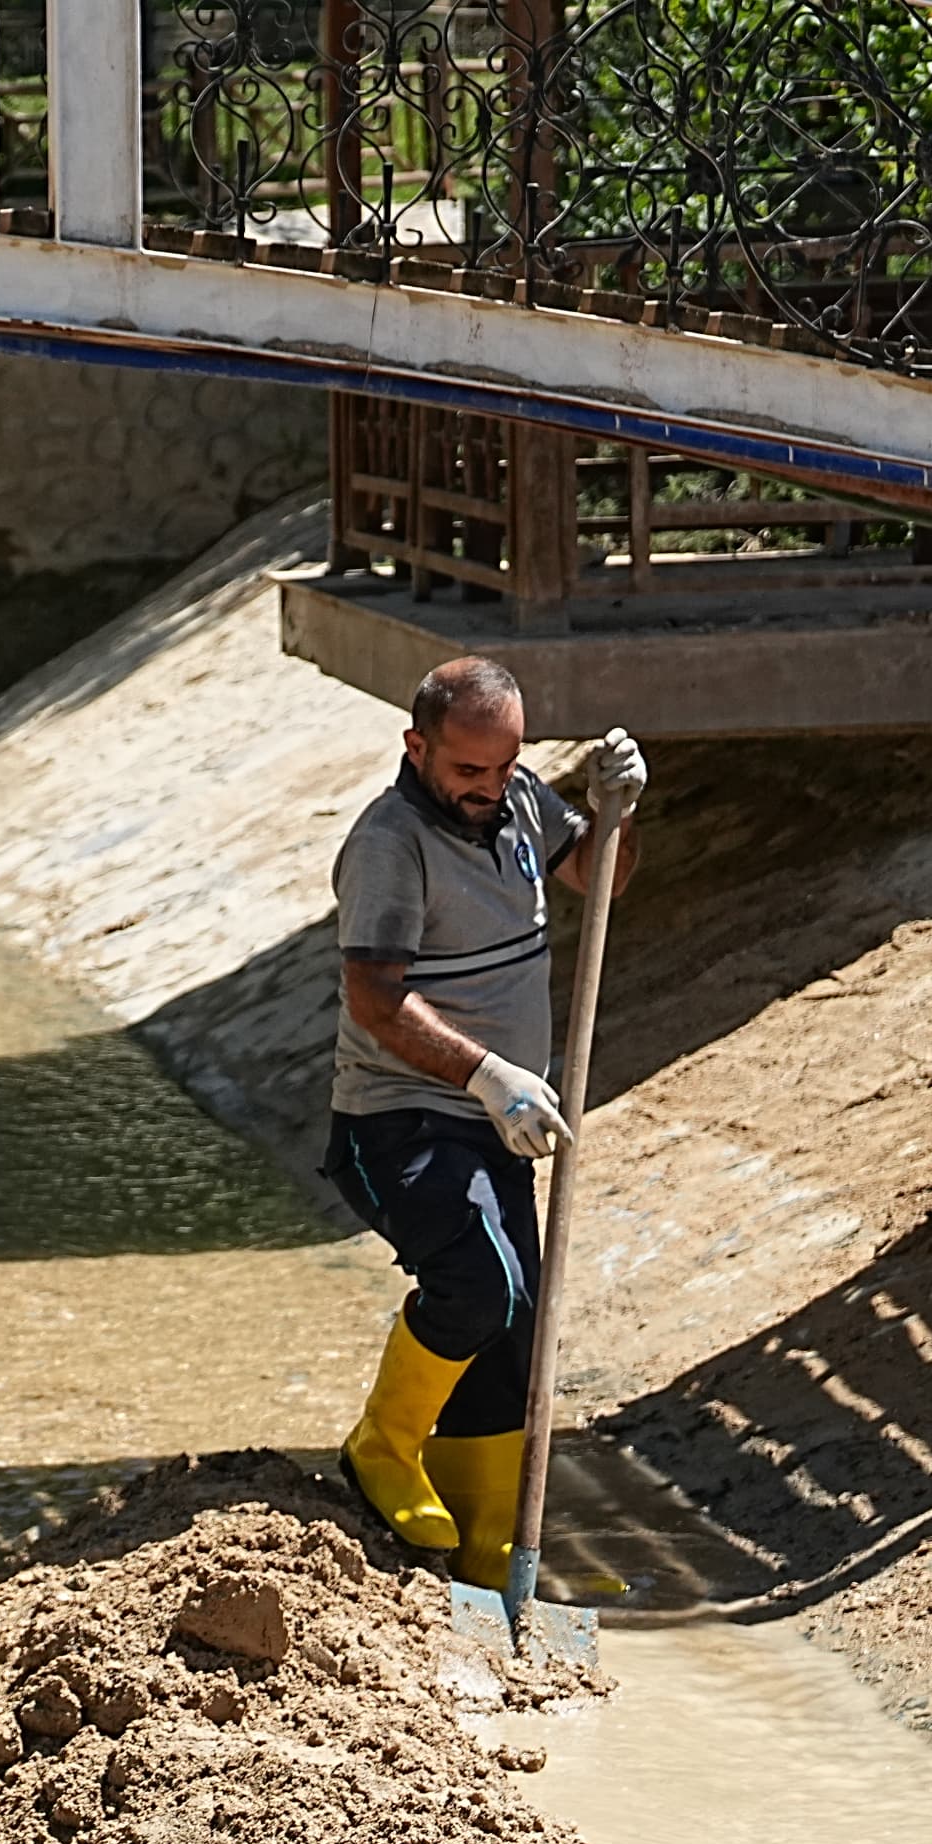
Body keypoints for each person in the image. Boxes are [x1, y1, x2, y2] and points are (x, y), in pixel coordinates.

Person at [329, 657, 646, 1595]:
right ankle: (380, 1448)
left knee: (515, 1329)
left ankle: (491, 1559)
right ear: (416, 747)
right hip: (401, 1118)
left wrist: (621, 811)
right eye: (468, 771)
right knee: (478, 1283)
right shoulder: (390, 844)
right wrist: (488, 1072)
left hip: (495, 1120)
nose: (487, 790)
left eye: (505, 768)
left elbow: (598, 876)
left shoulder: (517, 805)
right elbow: (376, 1000)